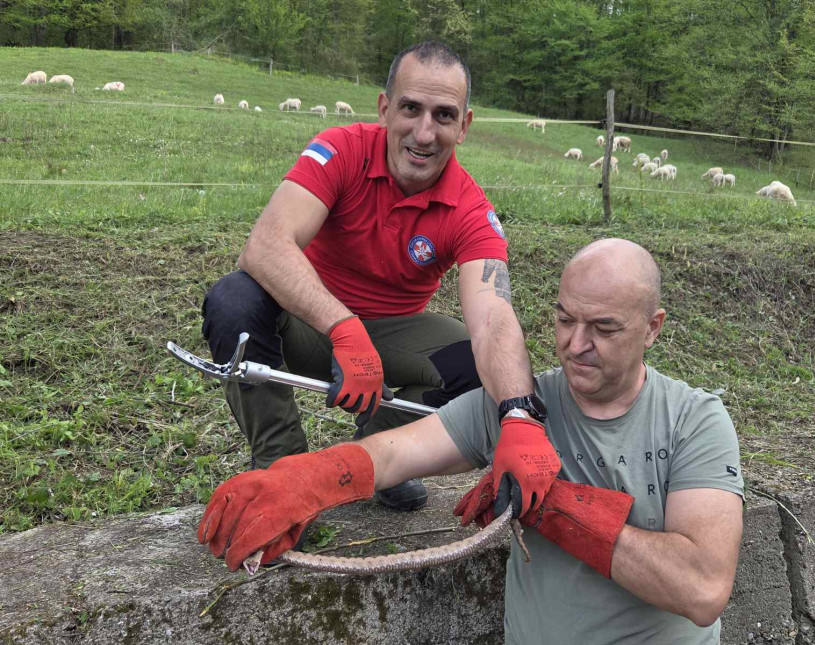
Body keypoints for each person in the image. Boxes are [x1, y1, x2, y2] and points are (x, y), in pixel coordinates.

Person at [198, 238, 745, 644]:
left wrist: (551, 506)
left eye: (604, 329)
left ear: (653, 327)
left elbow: (701, 588)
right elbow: (395, 451)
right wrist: (302, 480)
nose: (576, 345)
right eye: (563, 320)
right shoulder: (519, 407)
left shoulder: (693, 421)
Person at [200, 41, 559, 514]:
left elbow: (494, 317)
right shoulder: (342, 148)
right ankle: (281, 469)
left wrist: (519, 413)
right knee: (233, 300)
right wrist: (344, 329)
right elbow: (266, 245)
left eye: (444, 115)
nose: (425, 133)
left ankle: (375, 459)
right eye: (411, 108)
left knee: (475, 366)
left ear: (465, 126)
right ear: (385, 108)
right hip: (304, 323)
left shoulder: (471, 210)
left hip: (391, 332)